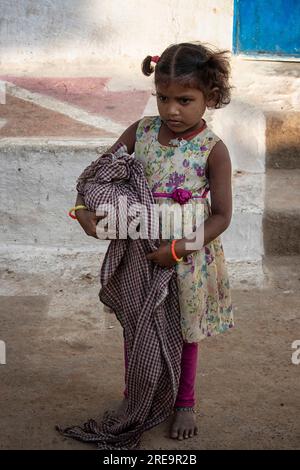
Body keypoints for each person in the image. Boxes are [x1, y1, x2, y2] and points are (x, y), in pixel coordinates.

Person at [73, 42, 234, 441]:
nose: (171, 110)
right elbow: (97, 175)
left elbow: (221, 216)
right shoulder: (140, 132)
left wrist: (178, 249)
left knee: (184, 330)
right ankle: (137, 396)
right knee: (138, 324)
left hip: (186, 257)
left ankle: (184, 402)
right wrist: (82, 210)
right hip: (140, 254)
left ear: (209, 98)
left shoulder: (213, 151)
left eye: (184, 99)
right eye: (163, 98)